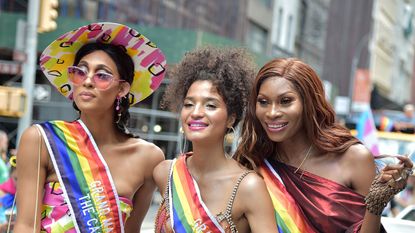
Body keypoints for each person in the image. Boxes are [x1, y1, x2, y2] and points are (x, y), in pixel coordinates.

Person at [14, 22, 167, 233]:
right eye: (80, 72)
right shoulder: (42, 139)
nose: (87, 81)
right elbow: (24, 226)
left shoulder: (148, 157)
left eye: (102, 75)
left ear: (122, 88)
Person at [235, 58, 413, 232]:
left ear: (309, 103)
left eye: (286, 101)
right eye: (263, 102)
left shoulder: (354, 159)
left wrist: (376, 204)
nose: (272, 112)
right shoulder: (251, 161)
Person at [153, 47, 277, 233]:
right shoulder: (165, 173)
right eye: (189, 104)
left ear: (231, 118)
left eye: (210, 105)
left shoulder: (248, 187)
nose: (195, 113)